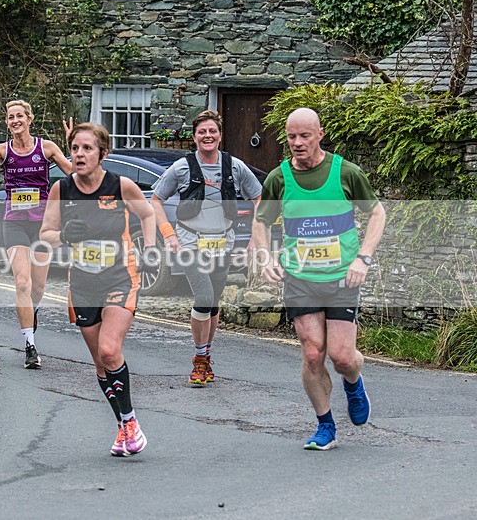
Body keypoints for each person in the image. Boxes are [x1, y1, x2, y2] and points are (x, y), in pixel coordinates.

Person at [251, 107, 386, 451]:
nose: (297, 143)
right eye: (291, 137)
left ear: (320, 135)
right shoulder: (279, 179)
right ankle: (325, 425)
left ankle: (353, 383)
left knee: (342, 357)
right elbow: (261, 221)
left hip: (342, 278)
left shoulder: (346, 172)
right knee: (313, 354)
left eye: (304, 136)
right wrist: (265, 256)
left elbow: (377, 213)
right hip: (300, 278)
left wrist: (363, 258)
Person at [40, 122, 158, 456]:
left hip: (120, 277)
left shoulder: (120, 185)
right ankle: (124, 427)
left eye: (87, 148)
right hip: (83, 284)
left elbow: (148, 214)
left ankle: (130, 421)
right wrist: (63, 236)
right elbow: (46, 232)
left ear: (102, 154)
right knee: (100, 363)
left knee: (109, 350)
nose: (79, 155)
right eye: (75, 148)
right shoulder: (62, 189)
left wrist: (149, 249)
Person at [150, 110, 262, 386]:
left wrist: (256, 237)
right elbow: (155, 200)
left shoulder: (234, 166)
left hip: (223, 242)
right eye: (202, 132)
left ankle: (206, 356)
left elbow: (260, 197)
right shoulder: (181, 167)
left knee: (213, 303)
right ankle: (199, 359)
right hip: (190, 242)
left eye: (212, 131)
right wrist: (169, 235)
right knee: (203, 296)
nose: (207, 136)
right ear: (195, 137)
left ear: (220, 136)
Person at [0, 100, 71, 369]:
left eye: (19, 116)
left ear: (29, 119)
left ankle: (32, 310)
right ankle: (30, 345)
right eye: (10, 117)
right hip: (14, 223)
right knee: (23, 283)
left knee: (38, 287)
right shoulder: (3, 150)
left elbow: (74, 172)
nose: (15, 121)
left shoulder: (46, 148)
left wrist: (73, 146)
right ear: (7, 122)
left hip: (42, 226)